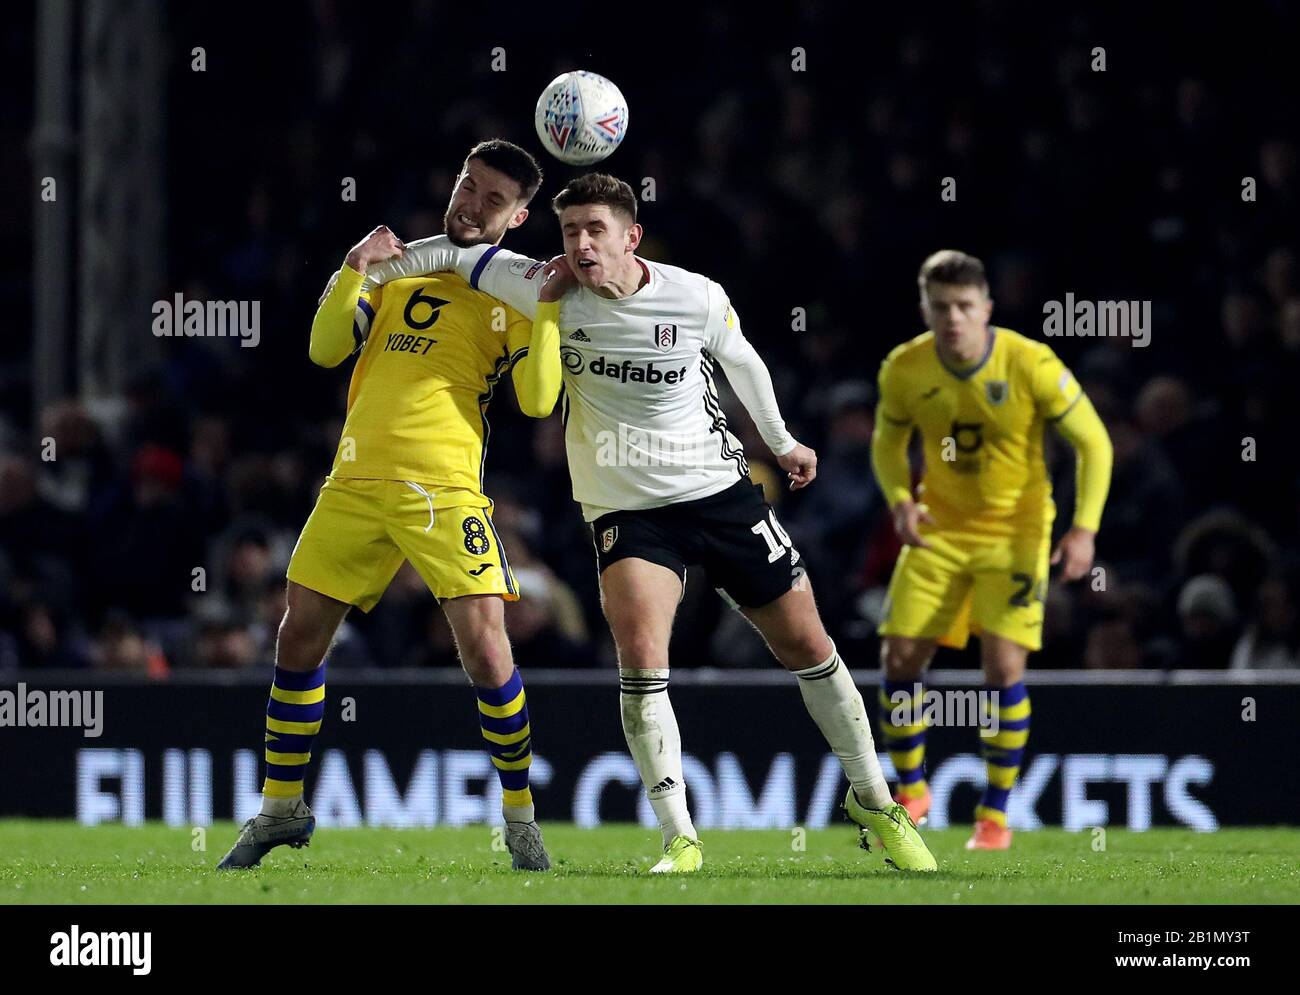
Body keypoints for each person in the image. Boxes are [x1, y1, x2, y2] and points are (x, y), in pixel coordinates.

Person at [364, 173, 936, 873]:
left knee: (809, 646)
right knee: (641, 662)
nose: (580, 245)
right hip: (628, 510)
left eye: (595, 230)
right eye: (570, 230)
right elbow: (454, 255)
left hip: (718, 493)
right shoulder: (540, 285)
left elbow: (744, 361)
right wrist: (373, 263)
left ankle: (874, 799)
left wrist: (782, 443)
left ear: (631, 237)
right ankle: (681, 837)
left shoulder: (692, 294)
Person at [217, 140, 560, 871]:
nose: (471, 203)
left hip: (442, 489)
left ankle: (521, 818)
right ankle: (281, 808)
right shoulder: (402, 269)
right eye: (468, 185)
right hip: (352, 480)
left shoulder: (516, 297)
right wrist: (352, 269)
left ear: (519, 216)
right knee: (296, 637)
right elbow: (322, 348)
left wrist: (552, 314)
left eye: (492, 199)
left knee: (486, 647)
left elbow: (537, 400)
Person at [871, 249, 1113, 850]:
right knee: (899, 658)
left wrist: (1083, 529)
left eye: (964, 306)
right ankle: (912, 790)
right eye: (941, 307)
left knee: (1002, 669)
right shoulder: (904, 368)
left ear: (987, 309)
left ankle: (995, 816)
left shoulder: (1030, 362)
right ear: (925, 308)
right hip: (939, 531)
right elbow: (887, 442)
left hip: (1015, 534)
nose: (952, 318)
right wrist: (901, 499)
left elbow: (1095, 444)